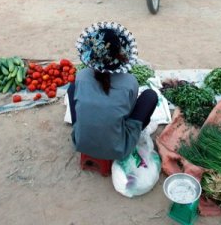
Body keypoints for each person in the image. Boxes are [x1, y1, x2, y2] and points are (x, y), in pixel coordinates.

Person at [68, 22, 158, 160]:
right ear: (120, 55)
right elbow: (127, 113)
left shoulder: (81, 76)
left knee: (72, 88)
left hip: (80, 142)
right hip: (119, 148)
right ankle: (133, 134)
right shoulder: (130, 81)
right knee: (150, 96)